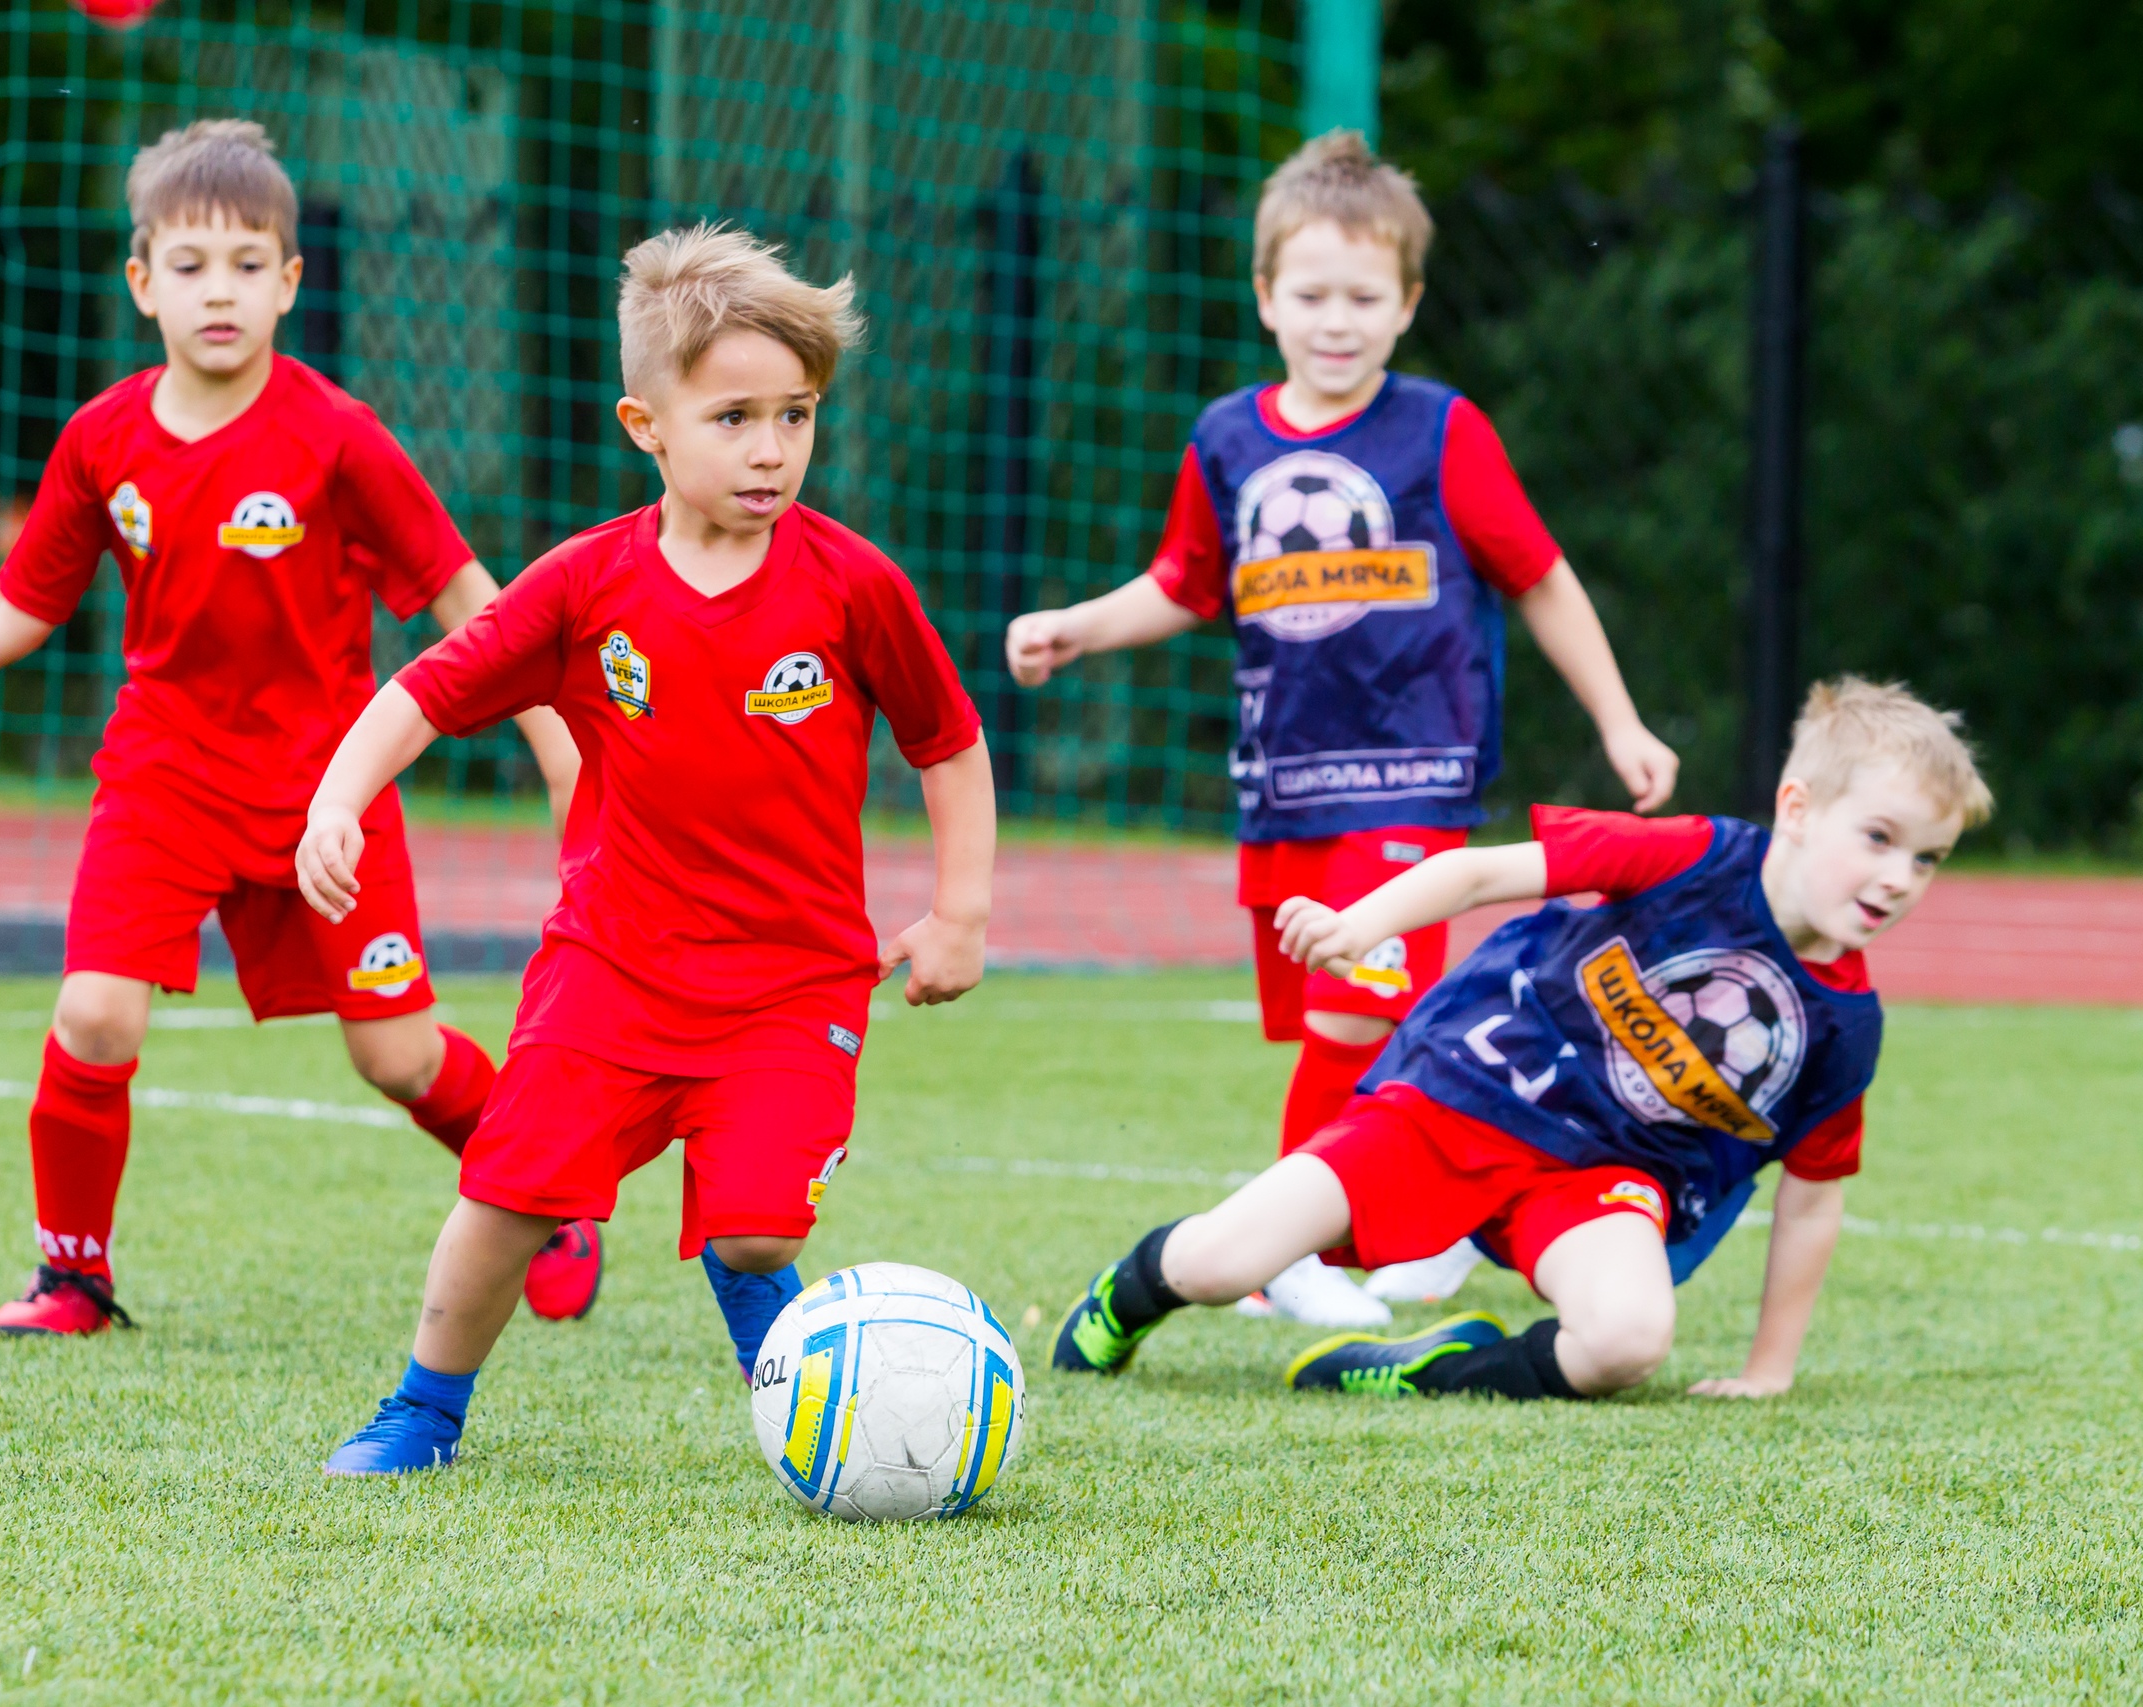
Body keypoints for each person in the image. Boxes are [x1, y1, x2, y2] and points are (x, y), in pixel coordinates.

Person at [0, 121, 589, 1336]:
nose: (217, 289)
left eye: (246, 263)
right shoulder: (101, 440)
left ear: (290, 281)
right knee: (93, 1012)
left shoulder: (337, 435)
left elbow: (469, 600)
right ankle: (70, 1278)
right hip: (165, 778)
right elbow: (17, 608)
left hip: (328, 791)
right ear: (141, 283)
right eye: (189, 264)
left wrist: (560, 746)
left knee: (394, 1058)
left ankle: (549, 1202)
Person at [301, 224, 997, 1475]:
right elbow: (425, 689)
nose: (772, 448)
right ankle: (421, 1410)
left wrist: (961, 913)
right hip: (610, 966)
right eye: (733, 417)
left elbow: (946, 741)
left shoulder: (854, 587)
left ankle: (806, 1411)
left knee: (756, 1236)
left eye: (797, 415)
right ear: (646, 426)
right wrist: (336, 801)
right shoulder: (585, 584)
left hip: (792, 986)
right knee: (505, 1197)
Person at [1004, 132, 1678, 1329]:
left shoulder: (1440, 433)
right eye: (1310, 294)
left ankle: (1287, 1252)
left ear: (1407, 305)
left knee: (1353, 1012)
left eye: (1364, 297)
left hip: (1410, 785)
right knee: (1358, 1031)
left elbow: (1539, 575)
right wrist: (1076, 627)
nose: (1336, 320)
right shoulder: (1226, 438)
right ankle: (1442, 1214)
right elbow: (1183, 582)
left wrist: (1618, 720)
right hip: (1285, 789)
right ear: (1265, 297)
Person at [1052, 679, 1990, 1403]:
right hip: (1462, 1094)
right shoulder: (1695, 855)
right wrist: (1354, 925)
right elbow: (1474, 871)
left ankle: (1422, 1370)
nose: (1900, 875)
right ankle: (1124, 1298)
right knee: (1218, 1264)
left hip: (1596, 1178)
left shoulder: (1844, 1024)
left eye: (1926, 857)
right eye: (1878, 837)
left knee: (1627, 1339)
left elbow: (1813, 1201)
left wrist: (1769, 1369)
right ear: (1796, 807)